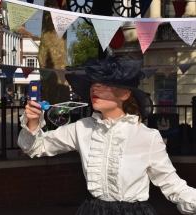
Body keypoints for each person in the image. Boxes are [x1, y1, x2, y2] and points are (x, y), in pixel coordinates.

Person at [17, 55, 196, 215]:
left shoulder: (148, 136)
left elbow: (170, 183)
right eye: (93, 85)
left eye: (105, 85)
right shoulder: (82, 128)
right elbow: (37, 147)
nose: (95, 89)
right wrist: (32, 122)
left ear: (125, 94)